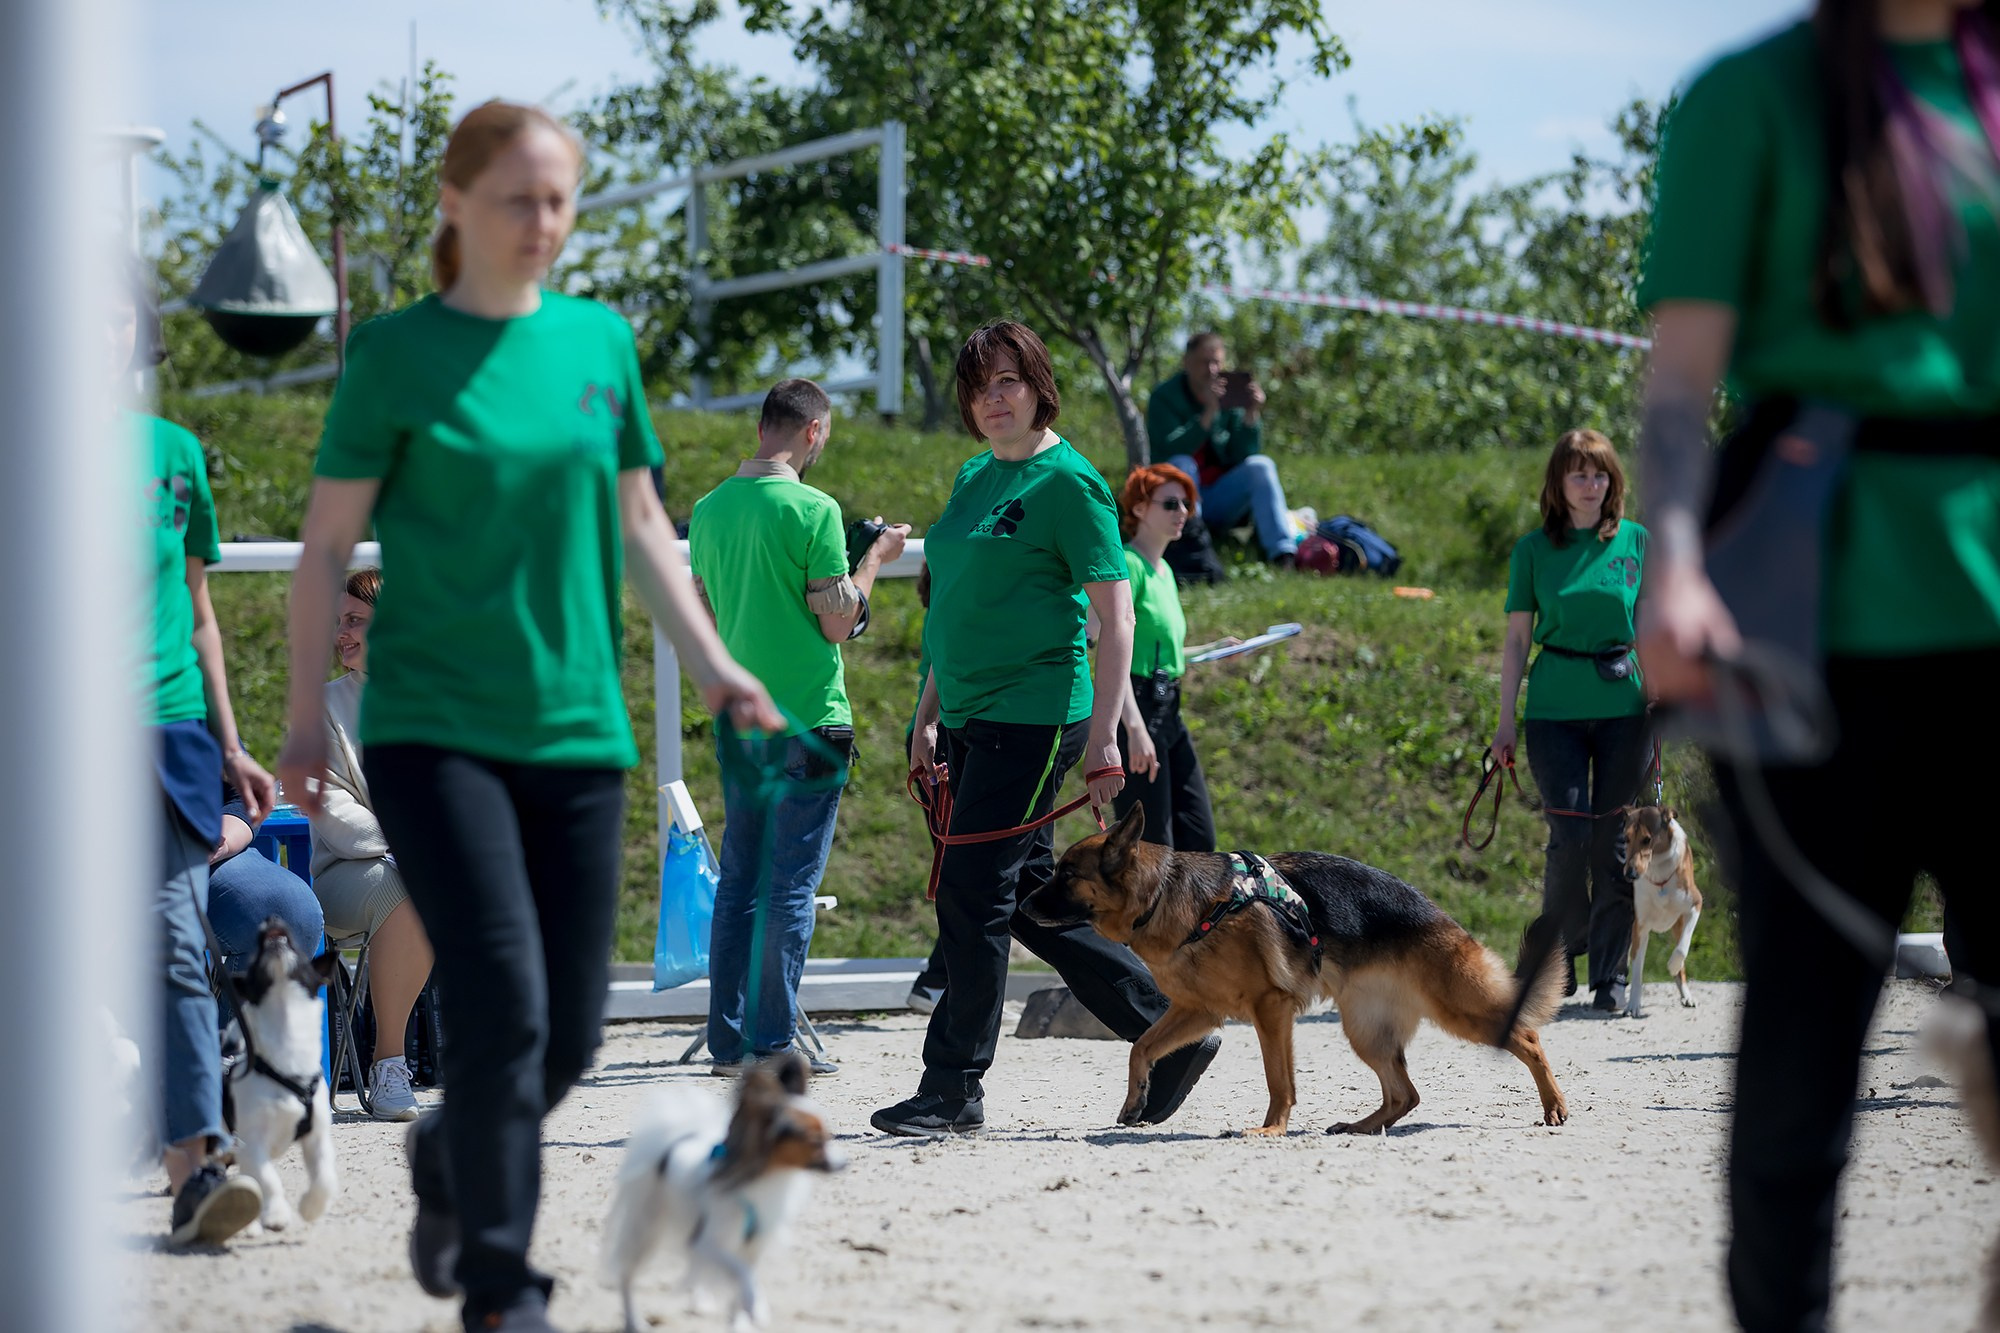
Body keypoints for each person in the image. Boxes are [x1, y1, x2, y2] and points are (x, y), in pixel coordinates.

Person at [278, 101, 778, 1333]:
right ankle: (501, 1285)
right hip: (434, 731)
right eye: (518, 199)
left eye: (559, 201)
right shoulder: (395, 354)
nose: (543, 223)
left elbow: (643, 526)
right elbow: (327, 544)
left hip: (575, 736)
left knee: (563, 1033)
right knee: (501, 1000)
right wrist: (299, 719)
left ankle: (451, 1157)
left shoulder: (598, 346)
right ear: (457, 204)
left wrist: (714, 665)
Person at [1635, 3, 2000, 1328]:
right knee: (1800, 1063)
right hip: (1810, 635)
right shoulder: (1752, 95)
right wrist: (1669, 562)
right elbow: (1679, 388)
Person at [873, 319, 1220, 1138]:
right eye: (978, 386)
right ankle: (1168, 1030)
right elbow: (949, 607)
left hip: (1032, 717)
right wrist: (928, 713)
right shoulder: (973, 475)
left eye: (1007, 382)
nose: (991, 400)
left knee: (969, 894)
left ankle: (953, 1085)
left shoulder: (1070, 484)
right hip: (966, 716)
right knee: (1031, 901)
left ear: (1039, 387)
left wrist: (1106, 734)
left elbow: (1115, 614)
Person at [688, 377, 909, 1076]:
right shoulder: (815, 509)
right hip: (811, 718)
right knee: (788, 887)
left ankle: (727, 1043)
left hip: (739, 721)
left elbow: (706, 617)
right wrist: (874, 559)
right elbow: (837, 621)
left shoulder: (707, 510)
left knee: (740, 882)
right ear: (813, 432)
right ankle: (773, 1041)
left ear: (763, 427)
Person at [122, 260, 277, 1246]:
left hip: (167, 732)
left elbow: (202, 615)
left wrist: (229, 741)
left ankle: (198, 1166)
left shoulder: (175, 453)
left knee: (178, 949)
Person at [1491, 430, 1650, 1012]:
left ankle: (1608, 974)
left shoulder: (1636, 543)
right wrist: (1505, 721)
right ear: (1558, 484)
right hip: (1554, 709)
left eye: (1600, 474)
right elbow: (1515, 640)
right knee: (1570, 837)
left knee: (1613, 842)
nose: (1591, 485)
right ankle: (1567, 947)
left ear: (1614, 483)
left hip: (1626, 709)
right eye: (1579, 474)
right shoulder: (1533, 550)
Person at [309, 565, 435, 1122]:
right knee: (404, 889)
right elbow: (330, 810)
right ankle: (390, 1067)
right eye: (340, 621)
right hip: (346, 873)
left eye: (356, 620)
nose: (342, 633)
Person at [1104, 463, 1228, 851]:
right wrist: (1135, 729)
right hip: (1137, 707)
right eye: (1171, 503)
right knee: (1151, 847)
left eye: (1187, 504)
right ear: (1140, 509)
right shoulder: (1129, 565)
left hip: (1168, 706)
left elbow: (1162, 653)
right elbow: (1112, 652)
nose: (1183, 513)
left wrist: (1212, 650)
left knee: (1199, 838)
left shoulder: (1166, 571)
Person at [1146, 331, 1299, 567]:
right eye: (1203, 362)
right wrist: (1208, 414)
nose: (1211, 370)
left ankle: (1283, 553)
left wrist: (1251, 416)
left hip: (1219, 497)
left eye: (1216, 362)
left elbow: (1243, 455)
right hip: (1178, 503)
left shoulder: (1230, 394)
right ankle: (1191, 546)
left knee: (1261, 466)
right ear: (1186, 362)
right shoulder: (1163, 397)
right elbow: (1168, 452)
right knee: (1182, 464)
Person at [206, 781, 324, 975]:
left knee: (289, 910)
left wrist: (223, 842)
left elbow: (241, 795)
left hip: (201, 857)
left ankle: (245, 1005)